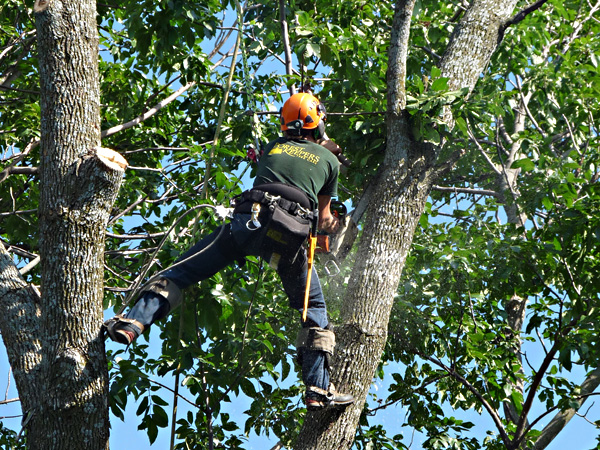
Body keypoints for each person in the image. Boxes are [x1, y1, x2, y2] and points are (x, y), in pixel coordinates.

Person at [105, 92, 355, 410]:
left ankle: (133, 323)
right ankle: (318, 390)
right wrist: (338, 223)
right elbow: (324, 220)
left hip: (247, 225)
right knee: (314, 310)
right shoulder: (330, 161)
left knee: (181, 272)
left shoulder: (272, 147)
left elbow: (293, 158)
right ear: (316, 122)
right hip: (289, 239)